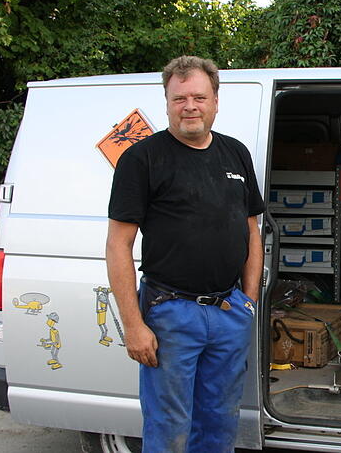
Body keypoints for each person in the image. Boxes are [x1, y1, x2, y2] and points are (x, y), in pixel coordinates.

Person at [106, 55, 264, 452]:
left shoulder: (236, 154)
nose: (189, 106)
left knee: (220, 420)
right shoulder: (142, 159)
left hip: (229, 311)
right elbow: (118, 245)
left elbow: (251, 230)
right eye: (179, 99)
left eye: (198, 97)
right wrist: (134, 325)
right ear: (167, 102)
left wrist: (249, 300)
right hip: (170, 313)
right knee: (169, 425)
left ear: (215, 101)